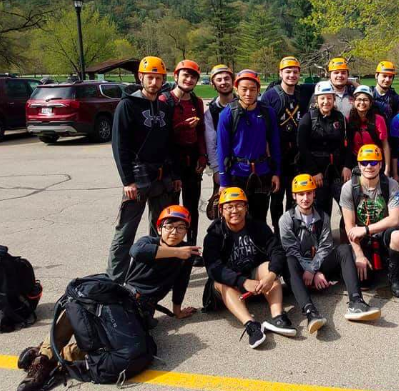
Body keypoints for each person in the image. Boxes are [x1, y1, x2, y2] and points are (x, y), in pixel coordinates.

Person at [17, 205, 197, 391]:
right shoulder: (148, 242)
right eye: (169, 226)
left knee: (108, 341)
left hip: (141, 310)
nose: (174, 232)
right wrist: (177, 252)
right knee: (80, 305)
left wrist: (177, 311)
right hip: (122, 296)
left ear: (186, 231)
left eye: (180, 227)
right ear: (159, 228)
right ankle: (42, 361)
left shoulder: (186, 253)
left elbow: (181, 283)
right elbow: (136, 251)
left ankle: (50, 352)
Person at [107, 56, 181, 284]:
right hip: (137, 179)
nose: (154, 82)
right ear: (141, 77)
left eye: (158, 78)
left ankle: (151, 273)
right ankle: (115, 280)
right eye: (150, 77)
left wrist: (175, 175)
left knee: (160, 229)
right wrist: (127, 181)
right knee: (125, 232)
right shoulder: (127, 105)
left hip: (161, 177)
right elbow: (119, 145)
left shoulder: (164, 106)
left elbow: (170, 144)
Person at [279, 174, 381, 335]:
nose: (305, 198)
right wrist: (310, 270)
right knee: (289, 259)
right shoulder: (286, 220)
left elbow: (326, 246)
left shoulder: (323, 216)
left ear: (314, 194)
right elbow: (291, 250)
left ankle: (356, 302)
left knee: (344, 249)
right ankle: (310, 312)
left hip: (317, 267)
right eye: (300, 194)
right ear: (293, 196)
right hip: (299, 271)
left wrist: (315, 270)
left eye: (308, 193)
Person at [203, 187, 295, 349]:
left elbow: (277, 251)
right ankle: (251, 325)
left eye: (239, 205)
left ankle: (277, 317)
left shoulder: (257, 227)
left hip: (255, 281)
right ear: (221, 210)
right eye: (229, 206)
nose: (234, 210)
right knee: (221, 283)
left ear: (246, 207)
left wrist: (272, 274)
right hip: (232, 285)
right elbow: (214, 268)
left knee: (269, 267)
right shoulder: (214, 235)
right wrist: (243, 282)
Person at [340, 144, 399, 298]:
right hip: (361, 238)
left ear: (380, 164)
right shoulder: (348, 188)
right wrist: (359, 255)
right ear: (358, 165)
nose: (369, 166)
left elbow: (395, 219)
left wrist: (366, 229)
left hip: (381, 233)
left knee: (398, 235)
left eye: (373, 162)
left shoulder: (391, 185)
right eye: (364, 163)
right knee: (363, 284)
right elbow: (349, 226)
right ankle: (368, 260)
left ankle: (395, 276)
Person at [216, 69, 281, 223]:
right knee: (237, 218)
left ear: (258, 90)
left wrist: (276, 172)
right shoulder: (227, 114)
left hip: (262, 172)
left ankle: (260, 246)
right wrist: (224, 182)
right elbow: (222, 149)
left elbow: (275, 145)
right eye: (244, 89)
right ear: (236, 89)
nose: (248, 93)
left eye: (252, 89)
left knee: (259, 217)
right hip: (237, 173)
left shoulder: (267, 112)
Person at [159, 60, 207, 266]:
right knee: (170, 209)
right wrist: (179, 127)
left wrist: (203, 157)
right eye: (185, 75)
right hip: (172, 161)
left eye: (193, 76)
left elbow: (201, 132)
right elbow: (161, 136)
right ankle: (169, 252)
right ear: (175, 77)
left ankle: (191, 249)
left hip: (192, 160)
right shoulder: (165, 101)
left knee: (191, 207)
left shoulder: (196, 102)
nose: (189, 79)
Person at [297, 81, 352, 218]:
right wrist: (314, 171)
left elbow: (348, 144)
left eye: (329, 98)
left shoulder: (340, 118)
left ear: (334, 99)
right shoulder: (308, 118)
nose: (326, 102)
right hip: (317, 170)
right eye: (322, 98)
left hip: (338, 170)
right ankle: (323, 236)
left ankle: (347, 234)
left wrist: (347, 166)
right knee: (321, 207)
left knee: (347, 205)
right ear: (316, 99)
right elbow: (302, 147)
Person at [261, 56, 303, 234]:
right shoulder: (271, 96)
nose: (291, 75)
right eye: (288, 72)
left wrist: (351, 82)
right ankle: (278, 233)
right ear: (280, 73)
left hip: (296, 156)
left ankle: (292, 231)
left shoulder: (303, 93)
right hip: (277, 156)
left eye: (295, 72)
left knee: (295, 198)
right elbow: (263, 129)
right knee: (277, 198)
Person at [204, 64, 236, 197]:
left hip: (244, 165)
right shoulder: (211, 112)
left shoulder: (245, 104)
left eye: (226, 78)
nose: (223, 82)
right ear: (213, 84)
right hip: (224, 165)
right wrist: (217, 170)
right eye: (219, 79)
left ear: (233, 81)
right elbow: (211, 143)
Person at [347, 85, 391, 174]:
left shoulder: (378, 120)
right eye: (359, 99)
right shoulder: (349, 120)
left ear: (370, 103)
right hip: (356, 161)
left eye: (365, 100)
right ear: (354, 102)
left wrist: (387, 168)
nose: (362, 103)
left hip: (375, 161)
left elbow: (385, 145)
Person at [372, 60, 399, 126]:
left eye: (390, 77)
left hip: (390, 135)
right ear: (376, 76)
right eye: (384, 76)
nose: (387, 80)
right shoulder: (369, 94)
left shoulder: (395, 98)